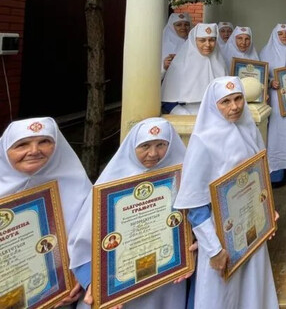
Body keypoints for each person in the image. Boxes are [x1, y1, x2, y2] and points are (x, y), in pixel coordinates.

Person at [174, 77, 279, 309]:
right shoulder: (203, 141)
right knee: (223, 296)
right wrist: (214, 250)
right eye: (226, 102)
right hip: (221, 236)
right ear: (214, 105)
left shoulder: (248, 129)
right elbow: (196, 204)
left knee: (253, 290)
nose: (235, 107)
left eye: (238, 98)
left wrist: (268, 210)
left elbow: (258, 176)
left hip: (251, 224)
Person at [70, 118, 188, 309]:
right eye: (145, 146)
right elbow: (83, 242)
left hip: (167, 279)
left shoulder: (182, 176)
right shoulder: (111, 183)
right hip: (118, 282)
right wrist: (92, 281)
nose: (153, 153)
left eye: (161, 145)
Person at [1, 117, 93, 308]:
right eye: (22, 144)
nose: (34, 151)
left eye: (44, 141)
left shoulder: (77, 184)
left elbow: (89, 236)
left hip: (66, 294)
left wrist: (81, 276)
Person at [259, 23, 286, 185]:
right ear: (275, 36)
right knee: (274, 135)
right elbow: (259, 75)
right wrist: (270, 82)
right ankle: (274, 173)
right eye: (281, 34)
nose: (284, 36)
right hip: (274, 101)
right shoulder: (265, 52)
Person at [161, 23, 227, 114]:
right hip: (186, 115)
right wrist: (184, 114)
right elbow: (168, 101)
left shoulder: (221, 65)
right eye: (202, 40)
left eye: (212, 40)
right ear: (194, 41)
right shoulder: (179, 65)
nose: (208, 44)